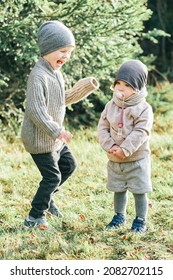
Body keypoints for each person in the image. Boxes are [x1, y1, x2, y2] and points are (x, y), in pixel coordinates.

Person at [21, 20, 99, 229]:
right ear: (47, 49)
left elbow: (60, 99)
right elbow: (36, 111)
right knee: (52, 177)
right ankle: (34, 217)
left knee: (69, 165)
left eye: (69, 52)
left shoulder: (55, 73)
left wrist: (83, 88)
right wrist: (57, 131)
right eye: (62, 51)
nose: (66, 56)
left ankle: (47, 199)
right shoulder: (38, 76)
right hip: (40, 139)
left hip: (54, 137)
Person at [98, 60, 153, 233]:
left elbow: (141, 131)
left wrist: (125, 149)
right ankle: (119, 215)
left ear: (137, 88)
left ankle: (140, 219)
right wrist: (110, 145)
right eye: (118, 84)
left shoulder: (143, 108)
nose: (120, 88)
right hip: (115, 158)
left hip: (137, 159)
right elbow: (103, 127)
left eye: (127, 85)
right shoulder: (110, 105)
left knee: (139, 190)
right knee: (118, 188)